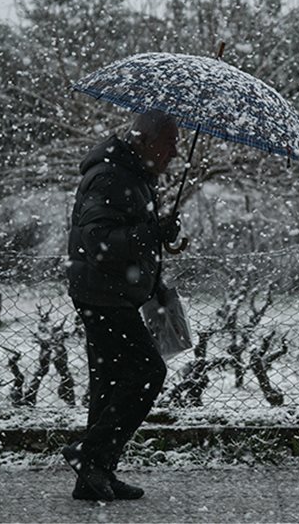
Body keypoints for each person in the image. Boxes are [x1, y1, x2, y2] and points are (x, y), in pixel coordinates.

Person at [63, 109, 180, 501]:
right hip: (102, 294)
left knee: (109, 383)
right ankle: (89, 453)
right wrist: (150, 233)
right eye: (170, 145)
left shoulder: (132, 174)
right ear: (145, 140)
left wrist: (161, 235)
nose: (175, 154)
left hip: (109, 292)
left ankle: (94, 477)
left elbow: (123, 233)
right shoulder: (112, 175)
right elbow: (96, 239)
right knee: (147, 373)